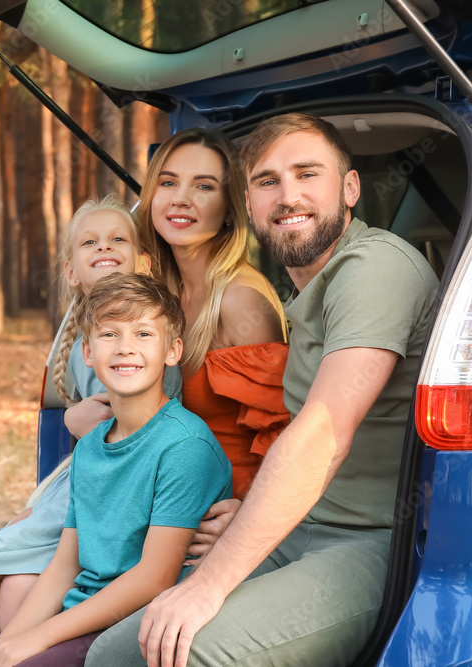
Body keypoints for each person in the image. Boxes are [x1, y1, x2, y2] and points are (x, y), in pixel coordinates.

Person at [85, 113, 440, 667]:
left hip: (367, 543)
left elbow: (321, 433)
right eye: (267, 181)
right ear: (249, 206)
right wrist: (247, 508)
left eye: (307, 174)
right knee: (113, 653)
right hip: (296, 527)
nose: (288, 195)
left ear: (349, 189)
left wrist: (209, 585)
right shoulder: (305, 293)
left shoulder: (373, 267)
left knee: (185, 652)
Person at [0, 273, 233, 667]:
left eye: (144, 334)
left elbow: (153, 578)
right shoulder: (91, 446)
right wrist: (6, 645)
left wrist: (36, 639)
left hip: (132, 628)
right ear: (88, 352)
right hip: (80, 613)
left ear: (172, 350)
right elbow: (65, 565)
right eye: (110, 334)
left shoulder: (185, 447)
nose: (126, 348)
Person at [0, 196, 180, 662]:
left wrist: (78, 422)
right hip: (72, 488)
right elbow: (90, 436)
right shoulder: (77, 347)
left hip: (105, 490)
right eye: (90, 242)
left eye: (117, 239)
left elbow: (131, 434)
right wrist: (71, 421)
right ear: (71, 272)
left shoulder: (145, 342)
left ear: (143, 262)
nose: (104, 246)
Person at [137, 127, 289, 507]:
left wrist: (245, 513)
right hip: (158, 495)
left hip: (223, 510)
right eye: (168, 182)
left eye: (203, 186)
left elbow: (280, 436)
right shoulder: (156, 292)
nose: (181, 199)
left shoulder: (240, 301)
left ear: (229, 209)